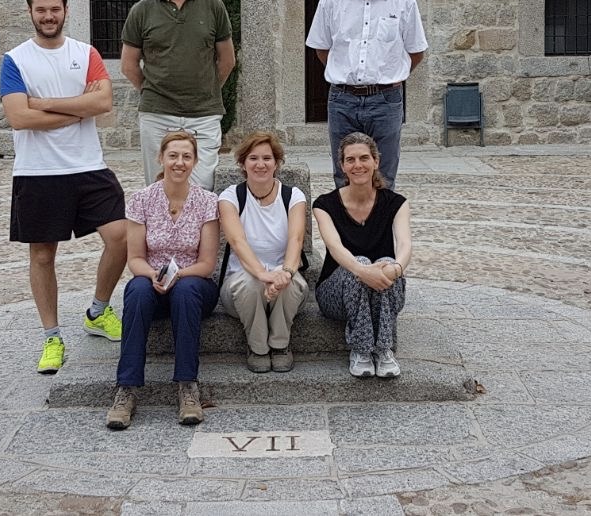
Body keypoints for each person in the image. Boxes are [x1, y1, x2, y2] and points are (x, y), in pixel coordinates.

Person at [0, 0, 128, 375]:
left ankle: (97, 310)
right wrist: (78, 109)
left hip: (88, 165)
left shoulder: (84, 52)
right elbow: (19, 117)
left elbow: (104, 101)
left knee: (122, 237)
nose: (48, 16)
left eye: (54, 8)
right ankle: (52, 337)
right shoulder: (15, 59)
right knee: (42, 255)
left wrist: (49, 105)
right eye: (41, 10)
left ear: (66, 10)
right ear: (30, 12)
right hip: (38, 172)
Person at [106, 130, 221, 430]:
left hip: (194, 284)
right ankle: (126, 389)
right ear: (161, 158)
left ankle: (187, 386)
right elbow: (135, 259)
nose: (179, 162)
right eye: (173, 155)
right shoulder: (141, 200)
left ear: (195, 162)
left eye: (186, 156)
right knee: (137, 290)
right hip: (152, 280)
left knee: (184, 290)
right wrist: (155, 276)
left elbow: (207, 264)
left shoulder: (208, 202)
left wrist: (178, 275)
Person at [305, 0, 427, 189]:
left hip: (386, 101)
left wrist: (388, 76)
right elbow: (321, 48)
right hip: (342, 101)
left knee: (384, 176)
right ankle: (347, 230)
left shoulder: (404, 1)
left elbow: (416, 51)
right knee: (344, 173)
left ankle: (379, 230)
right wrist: (345, 74)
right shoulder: (331, 0)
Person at [121, 0, 236, 191]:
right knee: (159, 187)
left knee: (202, 186)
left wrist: (206, 88)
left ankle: (196, 232)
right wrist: (152, 91)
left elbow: (227, 60)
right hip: (157, 114)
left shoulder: (212, 6)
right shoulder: (141, 11)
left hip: (203, 115)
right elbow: (129, 65)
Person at [312, 132, 413, 379]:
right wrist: (362, 271)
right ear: (343, 166)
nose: (358, 165)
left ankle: (383, 352)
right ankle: (362, 351)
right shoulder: (324, 205)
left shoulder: (396, 203)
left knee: (387, 262)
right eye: (350, 160)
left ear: (376, 162)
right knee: (361, 262)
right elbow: (335, 248)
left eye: (364, 158)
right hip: (336, 292)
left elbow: (405, 244)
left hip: (385, 283)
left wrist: (395, 269)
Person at [217, 131, 308, 374]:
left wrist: (286, 272)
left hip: (283, 276)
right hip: (240, 284)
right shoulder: (230, 197)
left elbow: (296, 238)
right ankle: (257, 347)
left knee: (292, 285)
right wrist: (261, 273)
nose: (260, 164)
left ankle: (280, 345)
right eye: (253, 158)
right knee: (251, 284)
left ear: (276, 163)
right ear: (243, 163)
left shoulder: (293, 196)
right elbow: (237, 241)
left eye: (267, 158)